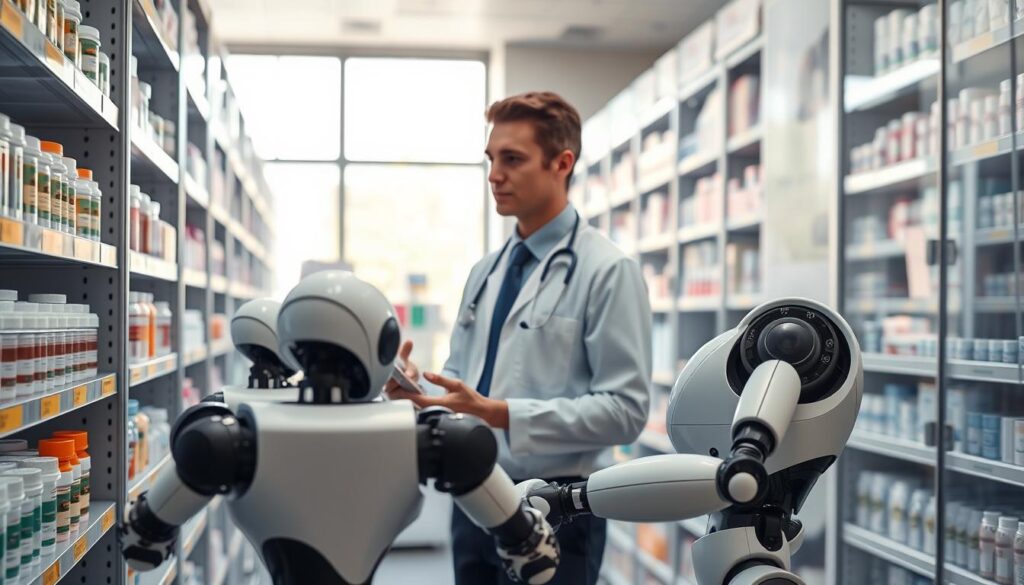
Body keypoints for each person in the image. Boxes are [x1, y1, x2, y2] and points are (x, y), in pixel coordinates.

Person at [386, 91, 652, 585]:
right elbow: (466, 383)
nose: (494, 175)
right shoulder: (486, 271)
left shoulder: (608, 271)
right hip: (475, 492)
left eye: (513, 159)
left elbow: (627, 411)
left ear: (561, 163)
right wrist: (422, 393)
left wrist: (501, 413)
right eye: (491, 159)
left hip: (561, 508)